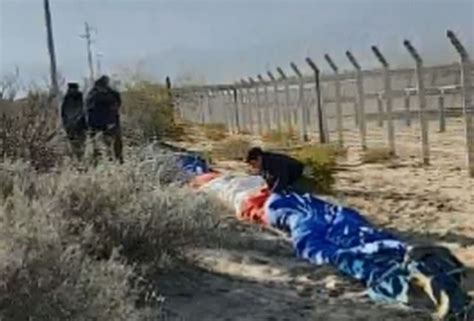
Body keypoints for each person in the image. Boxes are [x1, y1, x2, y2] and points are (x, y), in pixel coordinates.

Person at [86, 75, 123, 163]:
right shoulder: (112, 93)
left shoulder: (92, 94)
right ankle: (117, 160)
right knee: (114, 144)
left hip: (95, 124)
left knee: (96, 145)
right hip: (111, 122)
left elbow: (88, 108)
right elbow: (118, 104)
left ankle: (97, 161)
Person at [61, 82, 87, 160]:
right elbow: (83, 112)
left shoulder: (66, 98)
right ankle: (80, 159)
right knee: (81, 143)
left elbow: (63, 114)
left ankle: (76, 159)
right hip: (80, 126)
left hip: (69, 126)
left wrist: (65, 126)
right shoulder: (80, 97)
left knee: (73, 144)